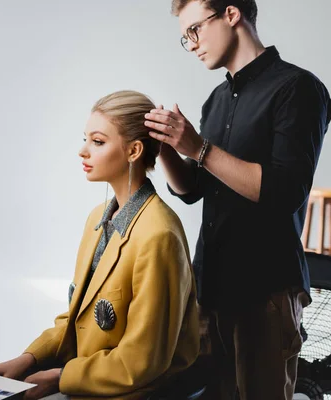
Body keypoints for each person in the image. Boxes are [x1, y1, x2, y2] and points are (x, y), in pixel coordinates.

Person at [143, 1, 331, 399]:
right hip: (209, 288)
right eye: (185, 37)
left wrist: (197, 146)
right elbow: (193, 190)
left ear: (231, 14)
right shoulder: (215, 100)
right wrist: (165, 147)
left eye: (195, 29)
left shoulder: (298, 88)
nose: (191, 44)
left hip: (265, 292)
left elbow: (284, 192)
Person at [0, 91, 200, 399]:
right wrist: (27, 359)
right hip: (88, 381)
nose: (83, 152)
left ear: (134, 150)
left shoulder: (159, 236)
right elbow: (79, 318)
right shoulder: (97, 218)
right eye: (86, 139)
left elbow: (142, 361)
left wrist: (61, 378)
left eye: (97, 142)